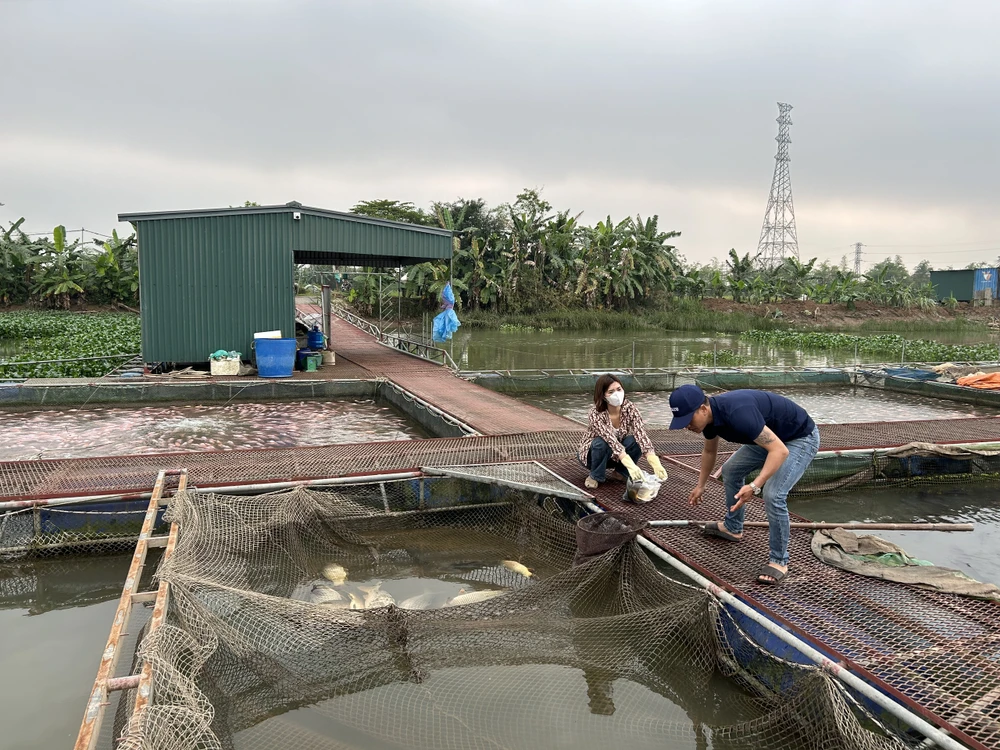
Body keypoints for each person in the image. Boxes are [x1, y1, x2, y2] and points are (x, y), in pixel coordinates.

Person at [667, 384, 820, 586]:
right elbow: (710, 452)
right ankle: (733, 527)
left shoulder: (738, 414)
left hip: (799, 438)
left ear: (703, 409)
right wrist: (701, 485)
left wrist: (755, 486)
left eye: (688, 419)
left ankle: (779, 561)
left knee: (773, 494)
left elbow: (779, 452)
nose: (687, 426)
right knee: (731, 470)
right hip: (770, 437)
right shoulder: (709, 421)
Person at [578, 374, 668, 490]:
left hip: (616, 456)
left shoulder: (630, 408)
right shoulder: (595, 413)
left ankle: (621, 472)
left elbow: (641, 434)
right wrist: (628, 462)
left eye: (619, 389)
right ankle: (595, 475)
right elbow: (609, 439)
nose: (616, 394)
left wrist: (653, 459)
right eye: (611, 392)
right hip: (593, 456)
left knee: (636, 440)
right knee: (601, 442)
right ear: (603, 396)